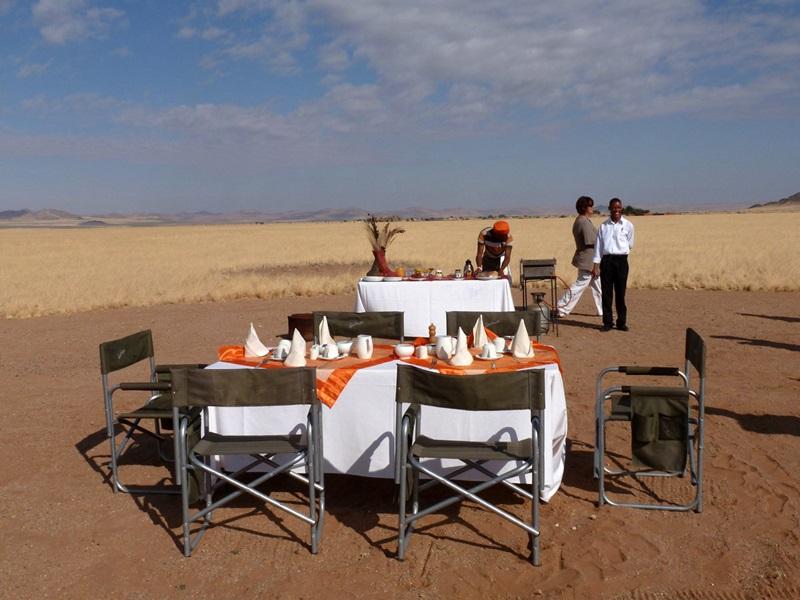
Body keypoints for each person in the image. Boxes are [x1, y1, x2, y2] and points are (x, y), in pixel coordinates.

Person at [592, 197, 635, 331]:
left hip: (621, 261)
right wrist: (596, 265)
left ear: (621, 208)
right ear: (609, 209)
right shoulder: (603, 226)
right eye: (614, 208)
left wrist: (621, 252)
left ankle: (621, 322)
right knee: (606, 293)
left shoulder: (628, 225)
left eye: (618, 207)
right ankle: (607, 322)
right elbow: (598, 248)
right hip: (607, 262)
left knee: (620, 294)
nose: (616, 210)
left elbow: (630, 244)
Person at [557, 196, 603, 318]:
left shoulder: (582, 220)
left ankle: (603, 310)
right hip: (588, 260)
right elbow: (591, 241)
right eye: (590, 206)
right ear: (584, 208)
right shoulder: (583, 222)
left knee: (598, 286)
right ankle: (562, 307)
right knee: (580, 285)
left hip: (588, 259)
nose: (592, 208)